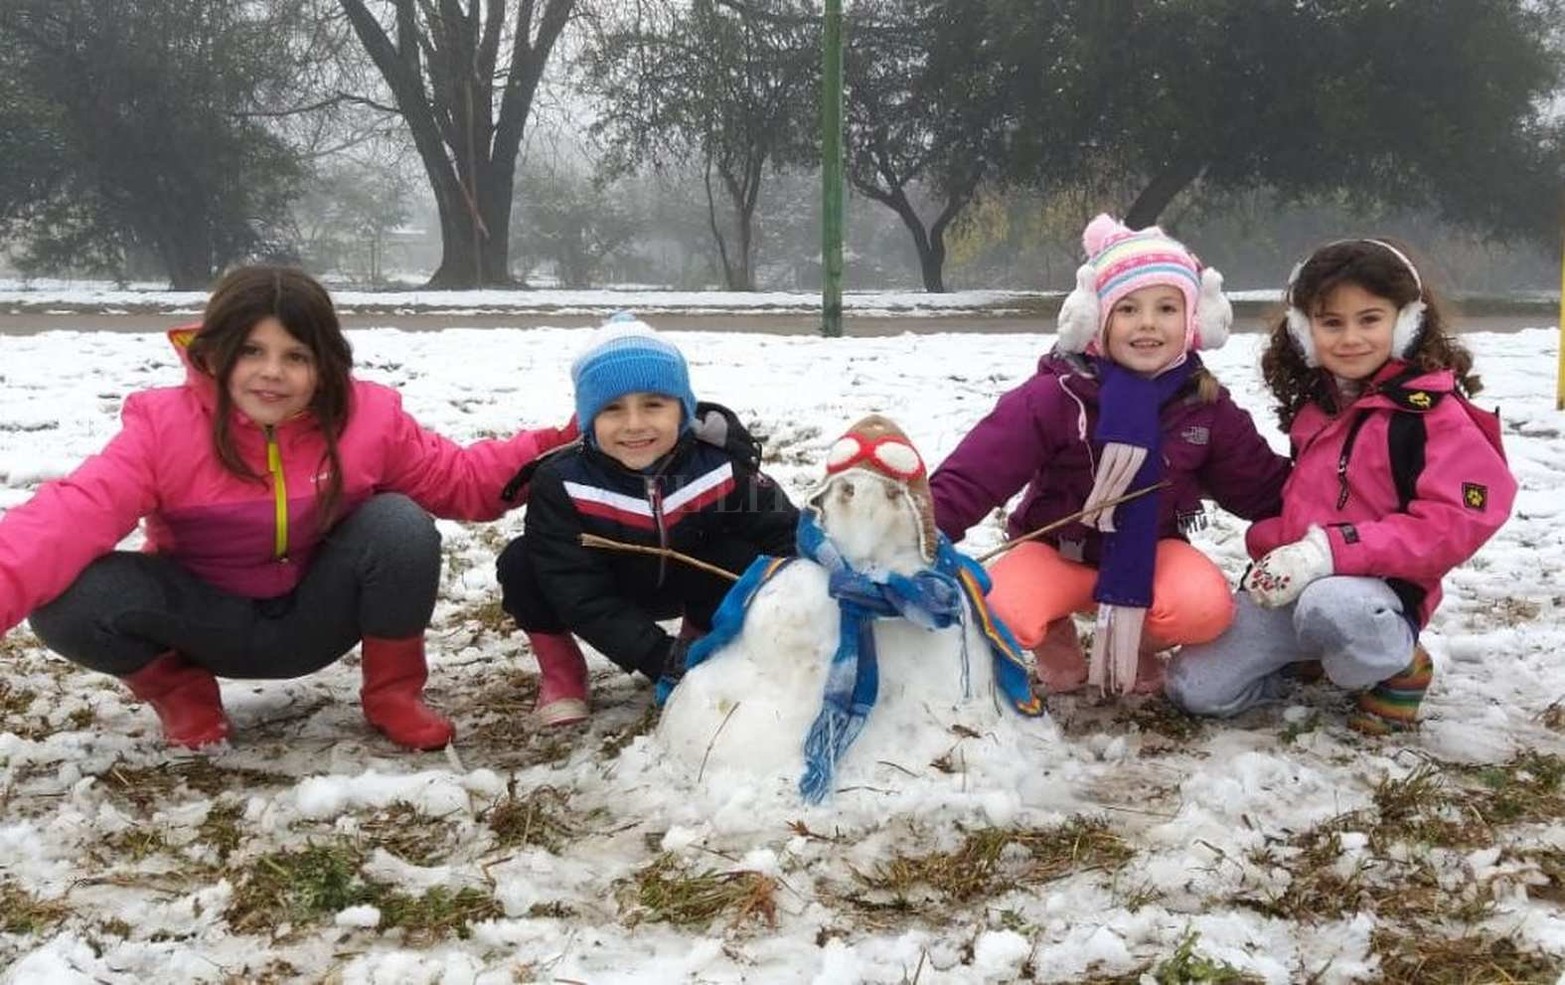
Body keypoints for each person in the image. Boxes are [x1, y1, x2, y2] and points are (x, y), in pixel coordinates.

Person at [0, 266, 575, 751]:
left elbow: (462, 480)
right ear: (215, 354)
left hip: (314, 616)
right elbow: (69, 515)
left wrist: (574, 439)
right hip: (205, 622)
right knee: (71, 598)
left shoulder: (368, 421)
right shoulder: (162, 429)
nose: (272, 371)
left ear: (324, 364)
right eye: (251, 350)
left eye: (295, 355)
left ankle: (393, 693)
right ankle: (183, 695)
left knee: (398, 524)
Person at [1165, 238, 1516, 733]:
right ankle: (1308, 653)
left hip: (1373, 593)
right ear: (1305, 332)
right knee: (1192, 688)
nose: (1350, 337)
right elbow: (1292, 496)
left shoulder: (1433, 416)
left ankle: (1397, 666)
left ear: (1407, 322)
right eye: (1332, 323)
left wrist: (1329, 552)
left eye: (1369, 319)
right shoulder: (1319, 407)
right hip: (1298, 585)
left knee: (1329, 605)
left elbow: (1457, 521)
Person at [930, 214, 1290, 696]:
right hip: (1058, 552)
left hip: (1150, 553)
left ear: (1192, 321)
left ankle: (1134, 642)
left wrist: (1325, 510)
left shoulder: (1204, 406)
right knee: (1002, 611)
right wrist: (923, 533)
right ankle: (1053, 630)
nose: (1147, 323)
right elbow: (978, 472)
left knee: (1204, 608)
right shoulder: (1056, 396)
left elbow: (1261, 487)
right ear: (1097, 319)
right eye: (1127, 309)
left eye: (1166, 308)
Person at [496, 314, 799, 726]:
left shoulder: (721, 466)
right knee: (524, 563)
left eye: (653, 404)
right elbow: (576, 589)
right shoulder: (563, 483)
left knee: (744, 552)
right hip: (610, 589)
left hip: (690, 584)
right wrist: (657, 657)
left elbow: (784, 534)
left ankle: (705, 638)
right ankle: (563, 673)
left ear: (682, 409)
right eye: (612, 409)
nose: (635, 424)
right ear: (588, 420)